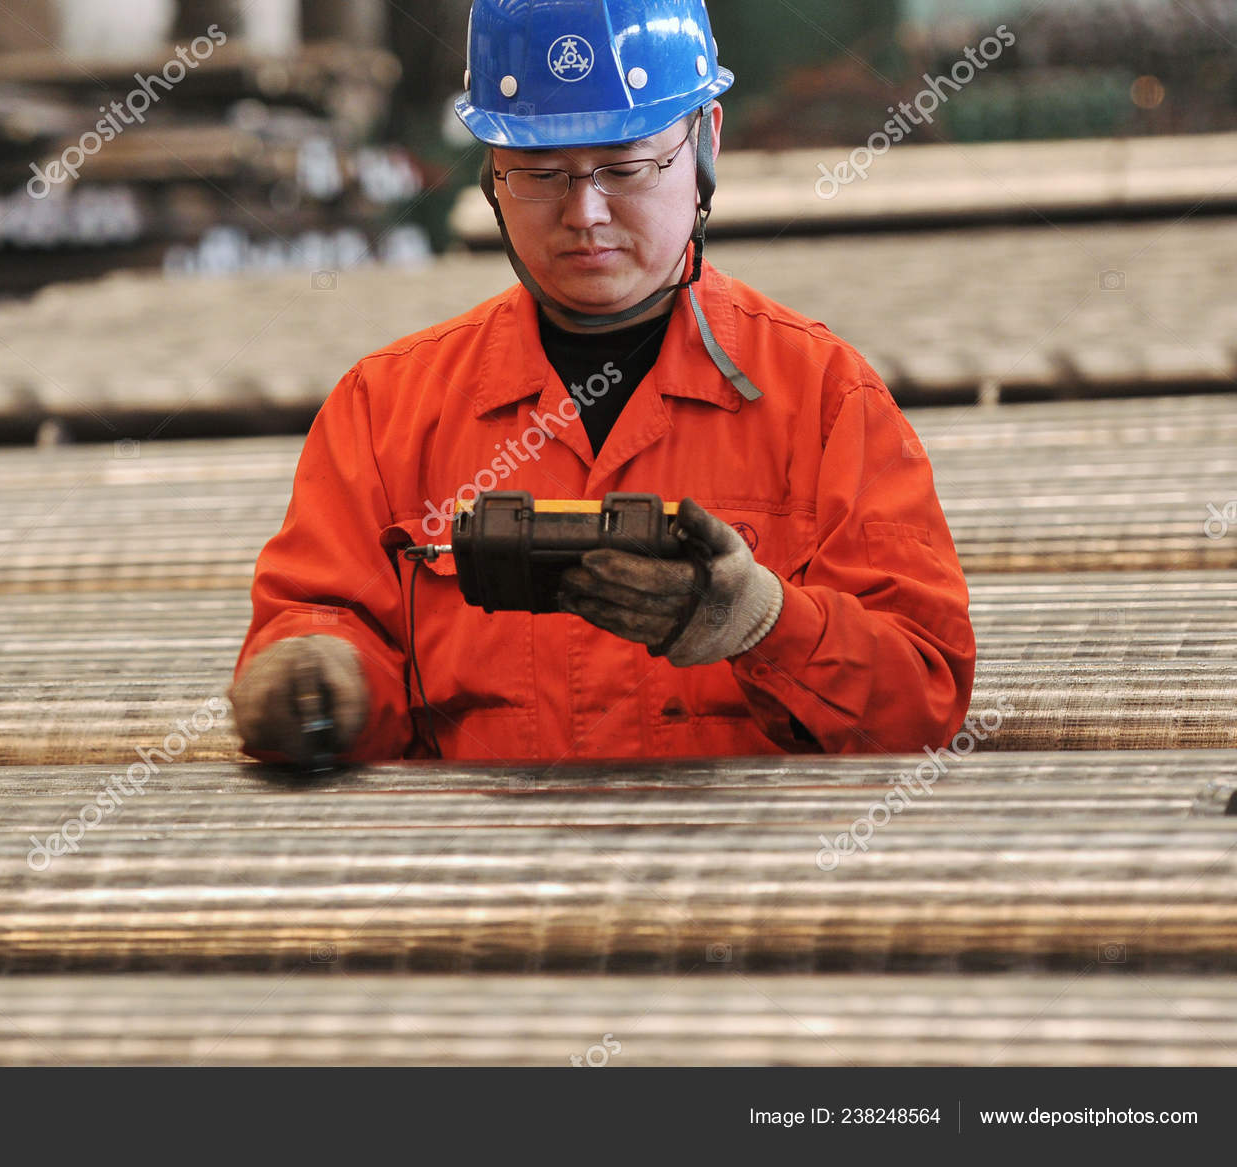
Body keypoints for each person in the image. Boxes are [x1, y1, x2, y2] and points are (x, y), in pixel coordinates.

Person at [230, 0, 975, 764]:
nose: (584, 213)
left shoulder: (825, 402)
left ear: (705, 145)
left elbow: (923, 702)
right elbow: (321, 615)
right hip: (487, 876)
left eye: (625, 167)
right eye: (540, 174)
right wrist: (321, 675)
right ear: (491, 173)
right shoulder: (385, 413)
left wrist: (762, 622)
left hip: (747, 875)